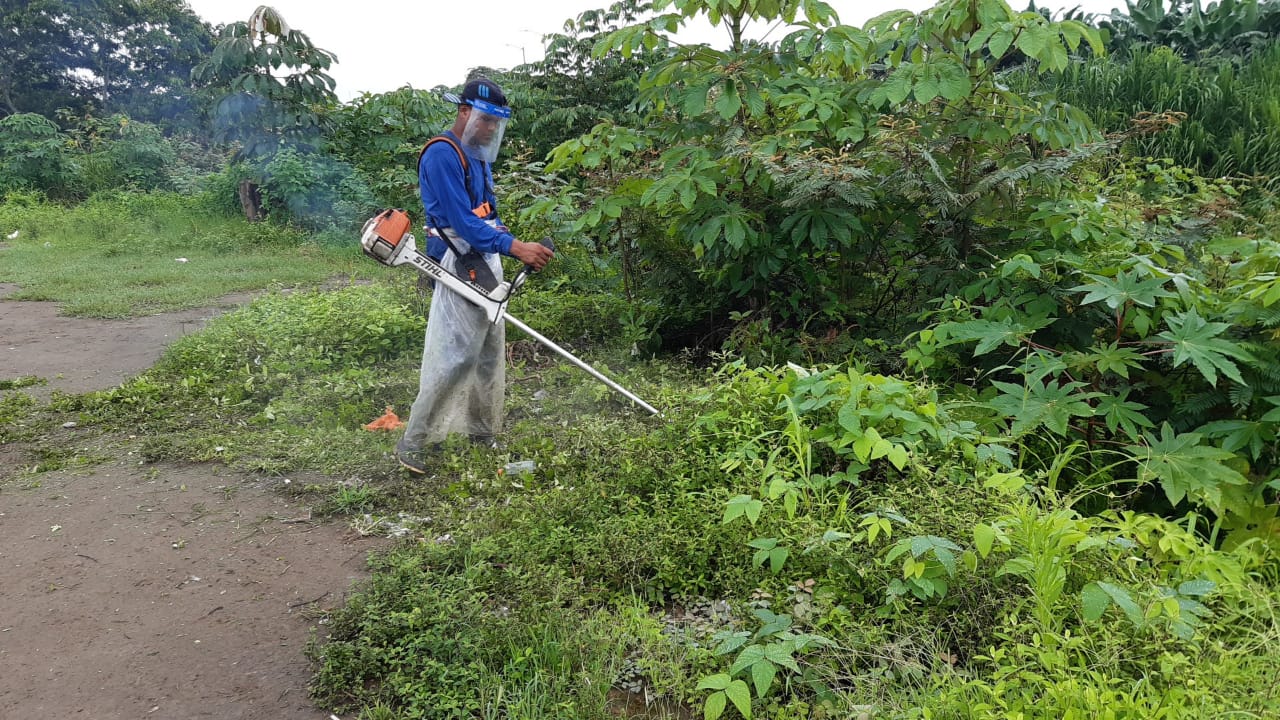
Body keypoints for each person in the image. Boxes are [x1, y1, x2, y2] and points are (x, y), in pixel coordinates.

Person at [395, 77, 553, 474]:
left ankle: (481, 433)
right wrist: (516, 247)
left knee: (488, 353)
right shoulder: (442, 155)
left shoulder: (479, 155)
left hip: (487, 258)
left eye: (495, 123)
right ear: (464, 112)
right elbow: (463, 222)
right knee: (455, 356)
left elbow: (487, 213)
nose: (490, 129)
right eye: (485, 120)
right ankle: (414, 440)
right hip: (457, 261)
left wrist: (509, 240)